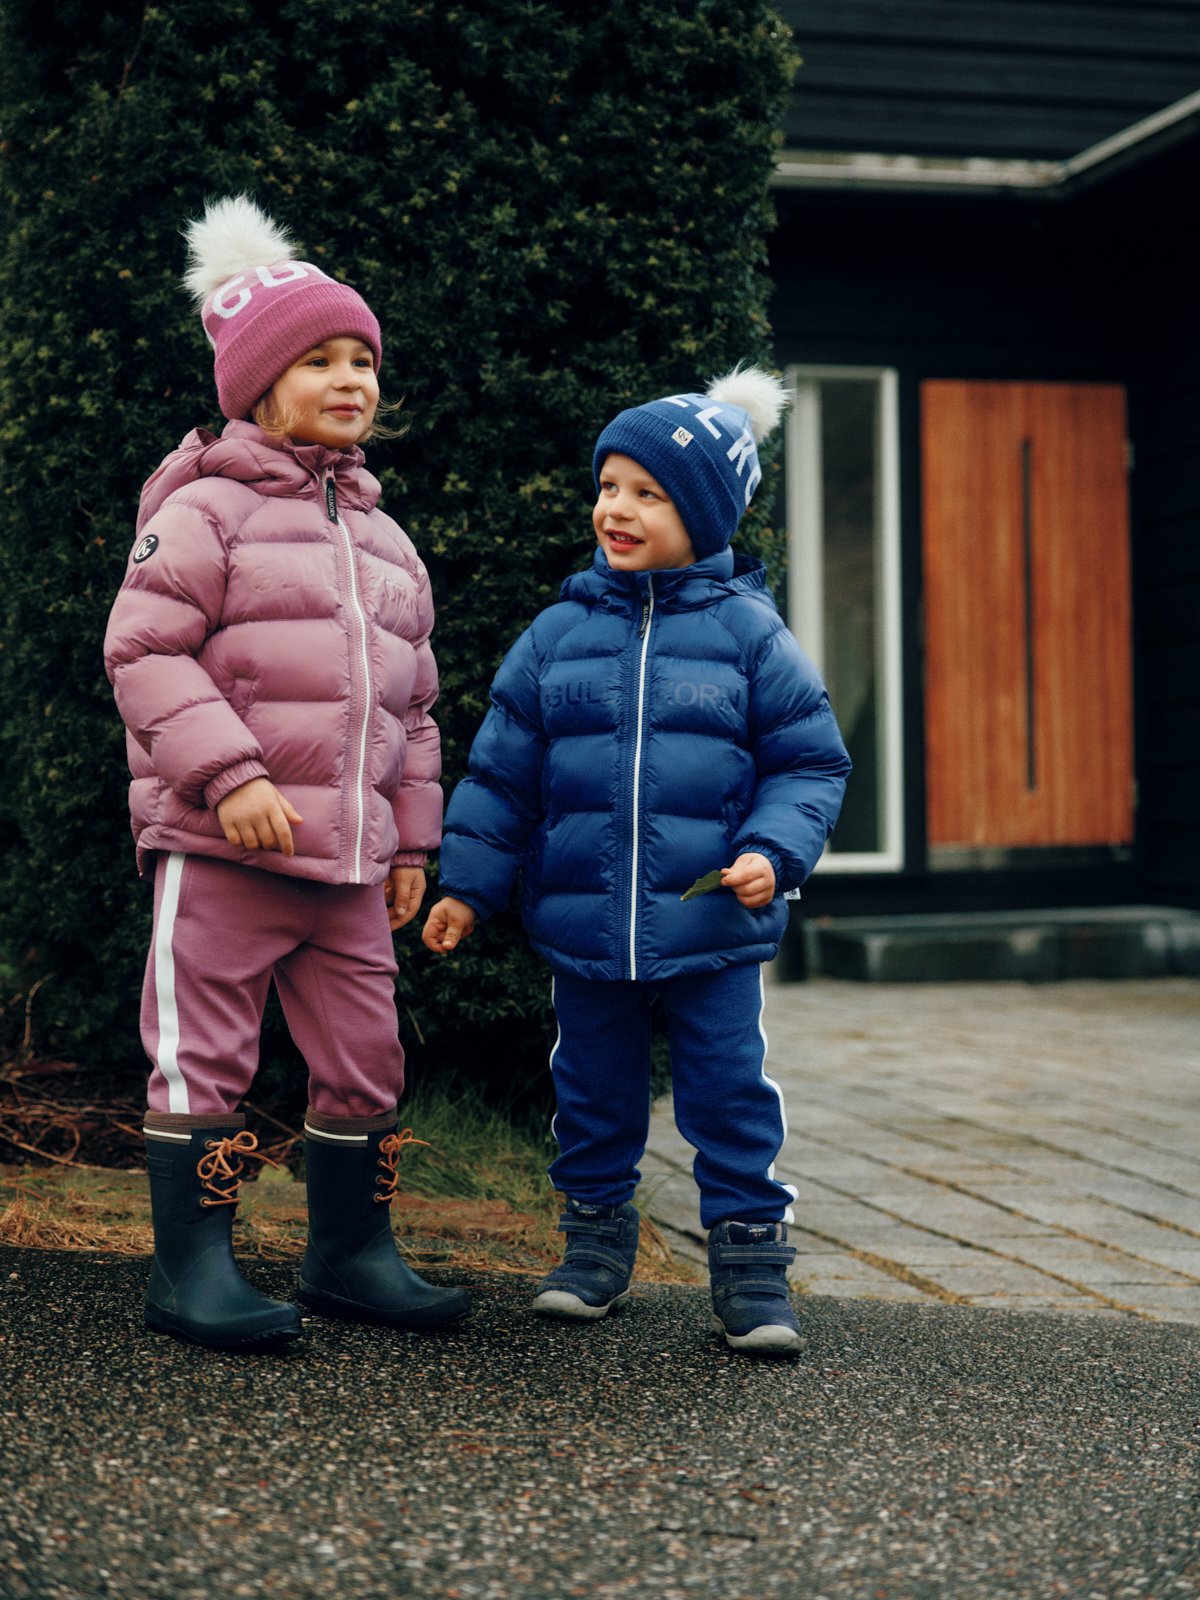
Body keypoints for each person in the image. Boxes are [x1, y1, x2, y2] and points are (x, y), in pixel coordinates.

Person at [421, 367, 850, 1355]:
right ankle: (593, 1244)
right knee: (592, 1092)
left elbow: (809, 762)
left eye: (648, 493)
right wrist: (468, 888)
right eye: (609, 485)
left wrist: (773, 852)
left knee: (728, 1093)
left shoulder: (750, 635)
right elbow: (500, 777)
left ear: (704, 516)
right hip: (584, 925)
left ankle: (751, 1264)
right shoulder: (557, 636)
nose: (617, 507)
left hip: (712, 923)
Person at [104, 195, 470, 1350]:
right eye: (319, 359)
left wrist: (412, 841)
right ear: (257, 385)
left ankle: (351, 1254)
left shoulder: (386, 540)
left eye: (362, 358)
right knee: (202, 1053)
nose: (349, 378)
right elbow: (144, 651)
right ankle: (192, 1270)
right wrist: (231, 774)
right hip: (225, 848)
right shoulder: (203, 511)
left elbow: (414, 706)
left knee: (368, 1057)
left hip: (349, 867)